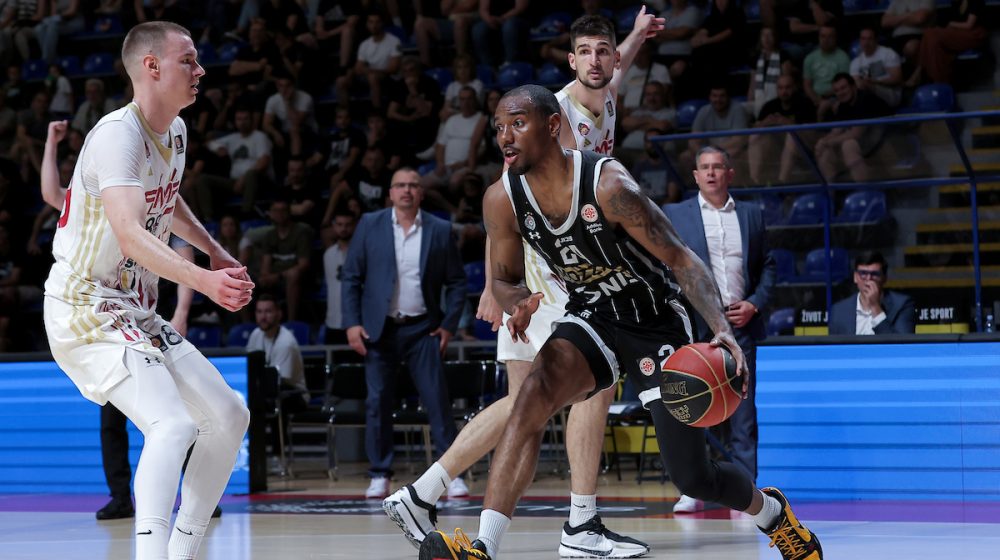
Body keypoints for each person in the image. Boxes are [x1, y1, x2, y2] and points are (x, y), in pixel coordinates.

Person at [418, 84, 822, 560]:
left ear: (552, 125)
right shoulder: (501, 199)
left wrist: (720, 328)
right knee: (531, 397)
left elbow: (681, 258)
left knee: (693, 476)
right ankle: (482, 546)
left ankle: (772, 514)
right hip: (592, 313)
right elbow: (503, 279)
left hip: (655, 323)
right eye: (499, 127)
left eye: (518, 124)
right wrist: (519, 300)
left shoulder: (608, 186)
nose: (506, 136)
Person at [385, 12, 666, 559]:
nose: (597, 61)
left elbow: (620, 67)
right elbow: (506, 194)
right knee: (594, 381)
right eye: (586, 52)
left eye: (604, 52)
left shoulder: (605, 93)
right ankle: (581, 524)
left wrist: (635, 35)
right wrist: (496, 284)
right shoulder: (552, 115)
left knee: (526, 405)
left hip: (560, 259)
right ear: (571, 59)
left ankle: (423, 493)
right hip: (551, 268)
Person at [42, 22, 253, 560]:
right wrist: (203, 281)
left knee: (230, 415)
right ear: (151, 67)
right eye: (189, 60)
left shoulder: (175, 131)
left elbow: (167, 198)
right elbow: (131, 234)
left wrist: (213, 251)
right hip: (83, 306)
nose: (201, 70)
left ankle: (182, 552)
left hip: (131, 307)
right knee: (172, 425)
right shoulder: (117, 135)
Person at [341, 167, 467, 500]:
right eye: (400, 185)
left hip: (423, 328)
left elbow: (457, 282)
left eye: (413, 185)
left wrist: (449, 325)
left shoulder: (440, 229)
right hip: (379, 330)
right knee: (377, 402)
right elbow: (351, 277)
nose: (407, 190)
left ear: (421, 193)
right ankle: (379, 473)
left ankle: (451, 474)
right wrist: (352, 323)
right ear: (390, 193)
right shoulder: (370, 224)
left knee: (437, 401)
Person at [663, 146, 776, 512]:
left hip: (740, 325)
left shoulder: (752, 214)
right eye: (704, 168)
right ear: (695, 176)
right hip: (695, 327)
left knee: (743, 414)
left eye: (717, 167)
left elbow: (768, 265)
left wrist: (754, 303)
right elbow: (666, 266)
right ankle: (694, 488)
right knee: (694, 409)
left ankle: (747, 495)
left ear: (729, 173)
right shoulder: (675, 214)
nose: (711, 173)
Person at [245, 293, 308, 458]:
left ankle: (278, 456)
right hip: (266, 389)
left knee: (277, 402)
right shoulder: (256, 335)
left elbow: (280, 380)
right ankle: (251, 455)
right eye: (259, 312)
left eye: (268, 311)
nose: (263, 317)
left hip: (294, 393)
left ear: (279, 314)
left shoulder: (286, 342)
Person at [815, 73, 891, 183]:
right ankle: (831, 190)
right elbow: (837, 130)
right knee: (825, 151)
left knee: (848, 145)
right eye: (837, 90)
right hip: (867, 137)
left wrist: (828, 142)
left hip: (890, 138)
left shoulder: (865, 99)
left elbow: (856, 133)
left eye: (843, 88)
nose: (840, 92)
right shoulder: (843, 105)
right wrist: (823, 142)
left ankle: (863, 189)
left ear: (853, 87)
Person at [748, 74, 817, 185]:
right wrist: (764, 123)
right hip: (775, 150)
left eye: (787, 87)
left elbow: (812, 135)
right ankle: (754, 182)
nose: (784, 91)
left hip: (803, 150)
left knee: (791, 136)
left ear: (794, 87)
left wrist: (788, 123)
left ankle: (782, 183)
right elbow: (752, 131)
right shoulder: (769, 106)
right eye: (780, 88)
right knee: (755, 136)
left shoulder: (805, 104)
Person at [829, 251, 915, 335]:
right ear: (855, 277)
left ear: (884, 278)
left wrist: (875, 307)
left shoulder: (902, 305)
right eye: (863, 273)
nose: (868, 278)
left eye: (875, 274)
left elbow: (902, 344)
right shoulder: (838, 311)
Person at [906, 0, 986, 86]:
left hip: (974, 34)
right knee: (935, 44)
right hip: (958, 32)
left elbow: (969, 25)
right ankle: (940, 83)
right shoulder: (957, 2)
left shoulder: (976, 1)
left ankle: (919, 72)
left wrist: (951, 24)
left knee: (930, 33)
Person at [322, 209, 356, 346]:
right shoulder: (328, 254)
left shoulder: (362, 253)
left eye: (348, 225)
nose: (344, 229)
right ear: (334, 226)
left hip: (357, 321)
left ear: (354, 225)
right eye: (340, 224)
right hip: (333, 320)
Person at [849, 27, 903, 108]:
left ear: (876, 40)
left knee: (864, 85)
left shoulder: (888, 54)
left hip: (891, 93)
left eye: (869, 39)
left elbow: (897, 79)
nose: (866, 42)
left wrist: (875, 81)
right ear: (860, 40)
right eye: (863, 39)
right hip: (867, 94)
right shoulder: (855, 62)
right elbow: (855, 84)